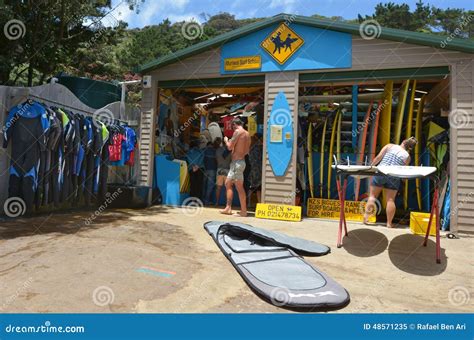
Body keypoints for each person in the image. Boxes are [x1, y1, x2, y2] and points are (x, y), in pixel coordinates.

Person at [364, 137, 418, 228]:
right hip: (393, 175)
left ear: (403, 141)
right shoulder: (407, 157)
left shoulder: (390, 146)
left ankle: (366, 218)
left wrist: (370, 167)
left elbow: (378, 158)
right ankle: (389, 223)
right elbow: (403, 170)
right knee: (390, 200)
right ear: (410, 148)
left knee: (372, 196)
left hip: (381, 172)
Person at [220, 118, 251, 217]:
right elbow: (246, 151)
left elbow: (229, 147)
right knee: (228, 183)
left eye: (232, 126)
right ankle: (228, 208)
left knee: (239, 187)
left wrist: (226, 140)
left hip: (236, 163)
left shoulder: (238, 132)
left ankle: (243, 211)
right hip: (241, 162)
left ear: (234, 125)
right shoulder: (247, 134)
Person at [215, 137, 231, 206]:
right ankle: (227, 204)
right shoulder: (230, 151)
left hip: (219, 169)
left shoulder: (218, 150)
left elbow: (216, 159)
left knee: (218, 188)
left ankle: (217, 202)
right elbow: (232, 160)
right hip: (227, 169)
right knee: (228, 188)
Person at [248, 134, 263, 204]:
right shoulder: (259, 148)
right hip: (259, 169)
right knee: (258, 187)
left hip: (253, 169)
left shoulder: (250, 149)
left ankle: (249, 202)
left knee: (252, 186)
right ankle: (259, 202)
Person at [203, 140, 217, 205]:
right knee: (210, 186)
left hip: (205, 170)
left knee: (203, 185)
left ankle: (202, 199)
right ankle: (207, 201)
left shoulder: (204, 150)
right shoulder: (215, 151)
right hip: (213, 170)